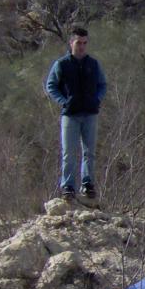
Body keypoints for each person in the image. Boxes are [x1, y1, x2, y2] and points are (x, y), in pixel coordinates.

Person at [45, 26, 107, 200]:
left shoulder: (93, 64)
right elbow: (51, 85)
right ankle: (68, 187)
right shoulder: (62, 64)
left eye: (84, 43)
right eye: (78, 42)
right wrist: (63, 101)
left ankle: (88, 185)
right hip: (70, 115)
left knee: (89, 152)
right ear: (71, 42)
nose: (81, 46)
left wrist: (97, 99)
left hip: (90, 113)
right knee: (68, 152)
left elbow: (103, 84)